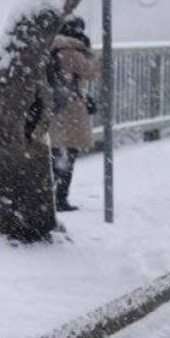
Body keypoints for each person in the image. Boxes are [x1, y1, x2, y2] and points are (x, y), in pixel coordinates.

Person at [48, 16, 99, 212]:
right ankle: (59, 199)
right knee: (67, 156)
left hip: (53, 107)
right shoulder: (70, 51)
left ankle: (53, 197)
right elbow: (93, 72)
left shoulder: (52, 47)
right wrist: (89, 52)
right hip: (68, 110)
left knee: (56, 154)